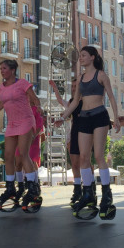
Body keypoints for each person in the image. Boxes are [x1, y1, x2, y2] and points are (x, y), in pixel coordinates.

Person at [56, 46, 121, 220]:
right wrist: (63, 117)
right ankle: (88, 194)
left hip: (99, 116)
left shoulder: (101, 75)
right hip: (83, 117)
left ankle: (106, 195)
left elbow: (111, 97)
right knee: (84, 157)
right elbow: (75, 101)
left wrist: (116, 118)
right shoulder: (81, 78)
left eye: (84, 55)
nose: (81, 58)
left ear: (92, 57)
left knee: (99, 156)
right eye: (80, 56)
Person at [0, 59, 43, 212]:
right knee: (8, 156)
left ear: (12, 70)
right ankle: (10, 188)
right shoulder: (2, 87)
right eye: (1, 68)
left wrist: (39, 107)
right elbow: (2, 104)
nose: (2, 71)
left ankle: (32, 188)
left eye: (4, 68)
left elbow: (34, 98)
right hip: (12, 123)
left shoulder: (22, 83)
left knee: (23, 154)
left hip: (26, 120)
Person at [50, 77, 83, 206]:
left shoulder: (87, 101)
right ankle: (77, 189)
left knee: (85, 162)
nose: (74, 89)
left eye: (76, 86)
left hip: (85, 134)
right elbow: (59, 100)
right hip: (72, 135)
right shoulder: (70, 103)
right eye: (72, 86)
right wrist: (55, 88)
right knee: (75, 164)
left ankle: (89, 187)